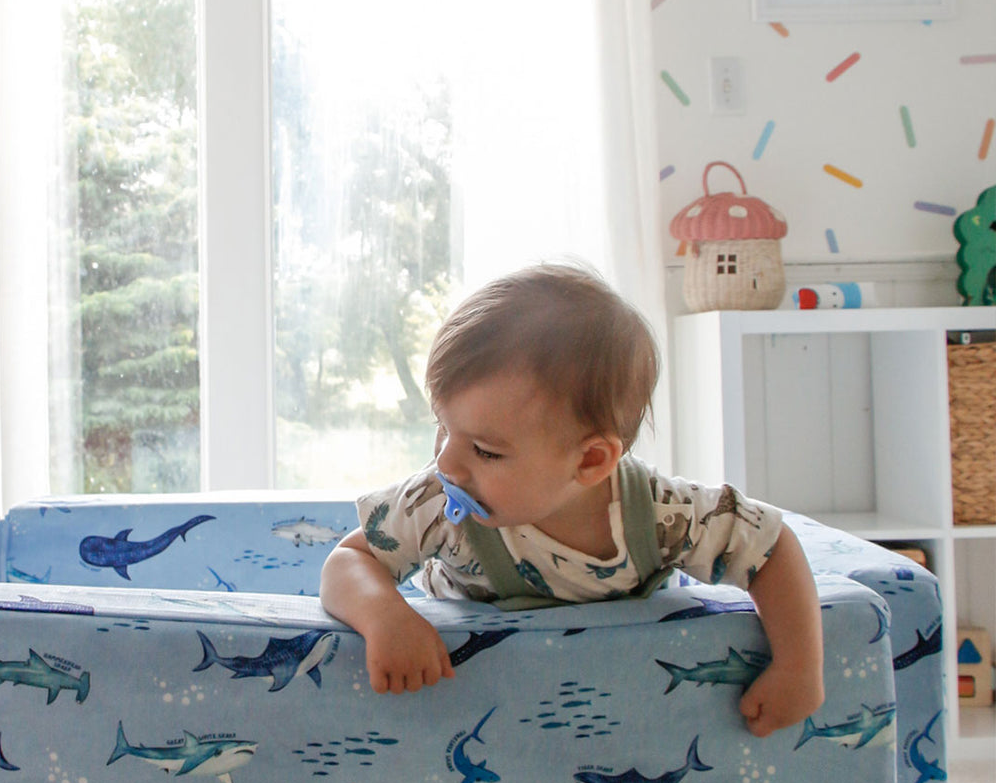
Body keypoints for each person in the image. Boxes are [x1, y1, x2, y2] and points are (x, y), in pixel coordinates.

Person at [318, 263, 824, 738]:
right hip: (476, 706)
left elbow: (769, 548)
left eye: (486, 450)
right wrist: (385, 616)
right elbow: (349, 560)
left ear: (591, 461)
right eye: (443, 428)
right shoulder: (439, 504)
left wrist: (798, 666)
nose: (446, 462)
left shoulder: (660, 514)